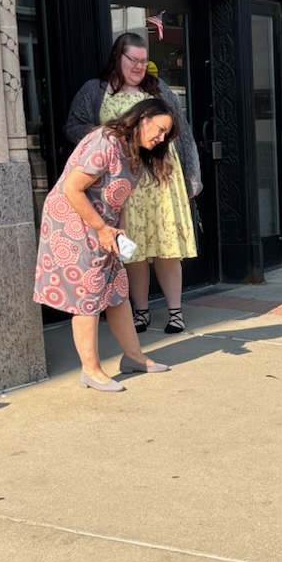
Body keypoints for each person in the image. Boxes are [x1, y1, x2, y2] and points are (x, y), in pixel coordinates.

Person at [34, 97, 177, 391]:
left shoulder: (134, 150)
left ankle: (134, 357)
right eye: (161, 130)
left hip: (103, 228)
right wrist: (101, 228)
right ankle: (91, 371)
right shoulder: (106, 141)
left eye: (166, 134)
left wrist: (118, 231)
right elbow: (72, 188)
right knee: (87, 295)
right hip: (74, 224)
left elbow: (120, 198)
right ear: (144, 118)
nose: (162, 139)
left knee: (117, 292)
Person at [64, 32, 202, 335]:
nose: (139, 66)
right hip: (125, 183)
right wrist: (105, 133)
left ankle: (175, 312)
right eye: (133, 60)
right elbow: (72, 127)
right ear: (118, 57)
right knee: (133, 250)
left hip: (163, 181)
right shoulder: (95, 90)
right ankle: (140, 312)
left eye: (144, 60)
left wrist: (192, 179)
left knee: (167, 246)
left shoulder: (159, 88)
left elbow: (183, 132)